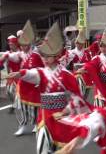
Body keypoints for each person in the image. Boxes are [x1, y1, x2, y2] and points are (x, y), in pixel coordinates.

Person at [7, 23, 90, 154]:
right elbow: (31, 74)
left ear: (56, 55)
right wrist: (20, 74)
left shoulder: (66, 75)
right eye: (44, 55)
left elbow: (76, 97)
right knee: (42, 148)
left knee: (64, 149)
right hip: (44, 117)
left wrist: (67, 110)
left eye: (48, 55)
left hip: (62, 117)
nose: (44, 58)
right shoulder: (41, 72)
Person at [11, 20, 45, 136]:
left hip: (34, 85)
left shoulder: (36, 55)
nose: (24, 47)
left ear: (30, 44)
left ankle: (36, 124)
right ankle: (23, 125)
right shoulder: (20, 54)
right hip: (23, 85)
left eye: (26, 44)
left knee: (34, 108)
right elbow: (13, 57)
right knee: (23, 108)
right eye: (22, 44)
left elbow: (41, 69)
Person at [0, 35, 21, 113]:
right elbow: (1, 61)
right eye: (9, 44)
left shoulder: (20, 52)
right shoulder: (8, 52)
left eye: (11, 44)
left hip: (21, 75)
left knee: (20, 93)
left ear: (16, 44)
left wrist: (7, 55)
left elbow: (16, 59)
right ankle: (13, 104)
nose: (10, 45)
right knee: (9, 91)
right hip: (12, 75)